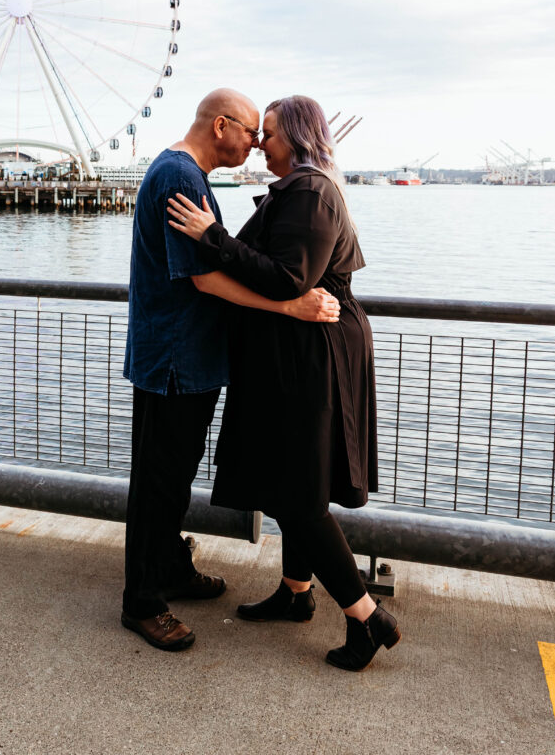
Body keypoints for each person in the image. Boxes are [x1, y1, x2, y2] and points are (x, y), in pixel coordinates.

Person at [167, 95, 401, 671]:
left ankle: (367, 617)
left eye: (266, 133)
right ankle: (297, 592)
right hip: (301, 349)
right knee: (302, 479)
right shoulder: (302, 189)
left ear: (295, 137)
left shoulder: (312, 192)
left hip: (312, 355)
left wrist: (208, 235)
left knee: (295, 492)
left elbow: (289, 278)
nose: (256, 142)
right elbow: (266, 262)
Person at [121, 88, 341, 652]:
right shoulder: (181, 179)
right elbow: (203, 278)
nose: (256, 142)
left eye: (265, 134)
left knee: (174, 475)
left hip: (183, 355)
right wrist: (290, 306)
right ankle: (142, 601)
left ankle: (169, 567)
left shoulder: (184, 174)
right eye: (251, 131)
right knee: (160, 481)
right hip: (175, 357)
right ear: (221, 126)